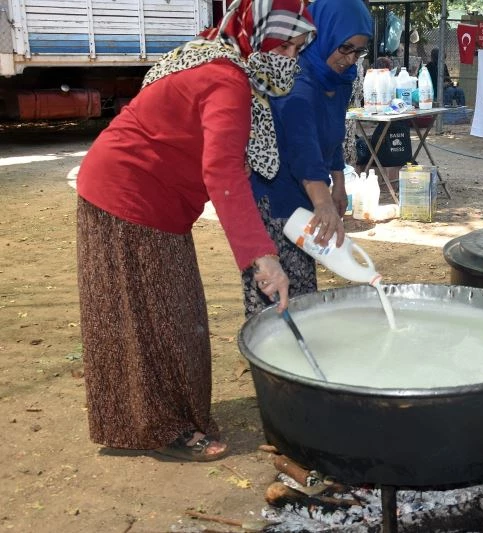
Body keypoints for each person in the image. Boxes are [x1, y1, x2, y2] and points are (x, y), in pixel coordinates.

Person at [75, 0, 315, 462]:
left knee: (159, 313)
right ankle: (168, 428)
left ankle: (153, 419)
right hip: (128, 196)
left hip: (143, 194)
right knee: (161, 317)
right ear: (262, 37)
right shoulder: (227, 80)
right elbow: (223, 174)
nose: (293, 58)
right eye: (289, 45)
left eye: (301, 48)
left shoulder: (218, 55)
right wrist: (265, 259)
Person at [242, 0, 373, 317]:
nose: (350, 59)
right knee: (275, 296)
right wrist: (323, 200)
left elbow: (333, 133)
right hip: (273, 197)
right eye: (345, 48)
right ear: (320, 35)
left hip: (306, 195)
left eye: (359, 51)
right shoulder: (297, 81)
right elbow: (301, 143)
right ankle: (270, 362)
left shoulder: (338, 80)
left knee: (302, 292)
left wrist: (338, 182)